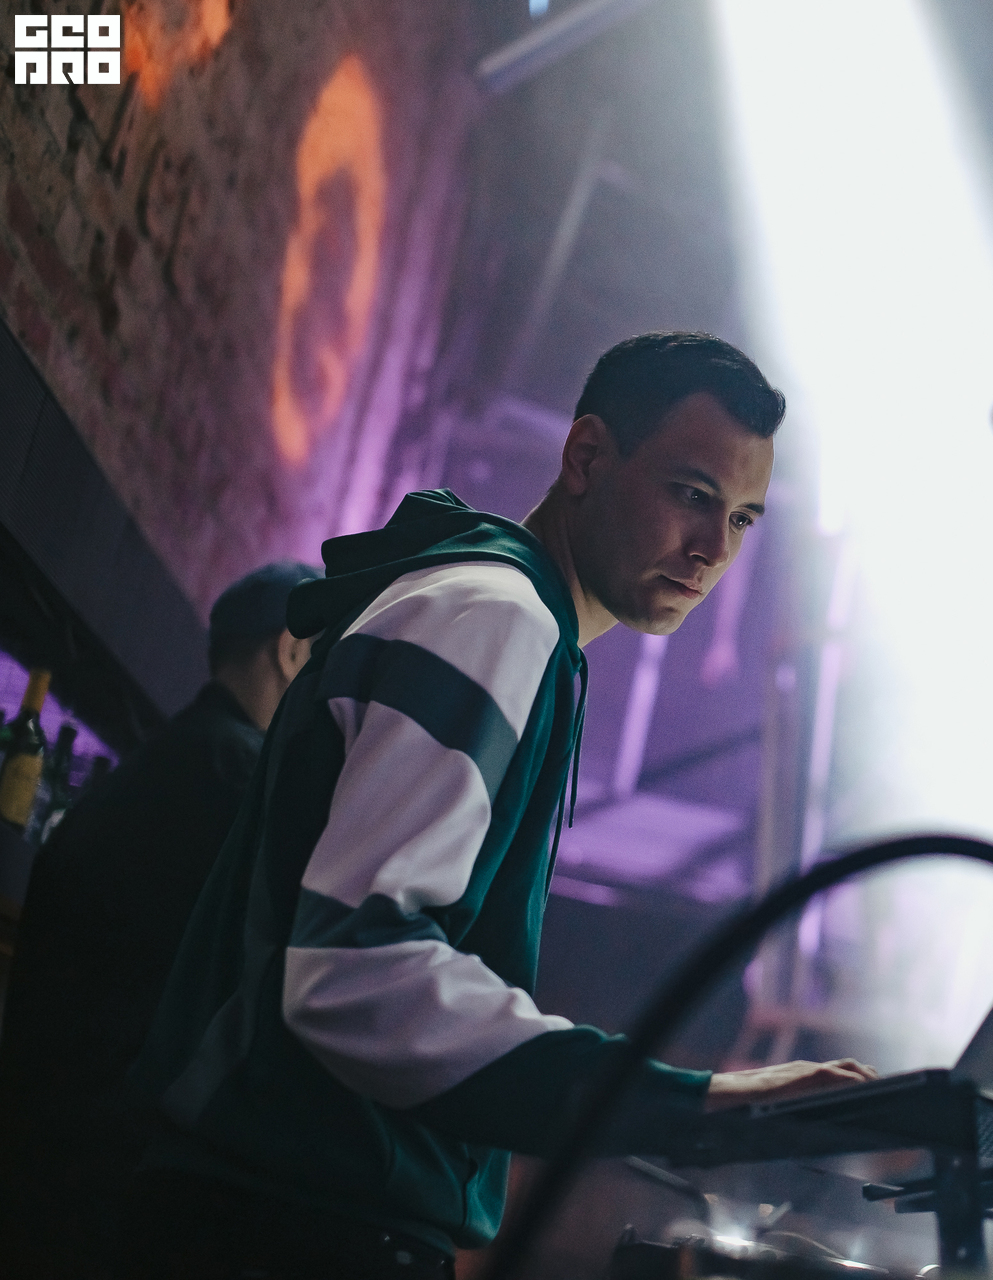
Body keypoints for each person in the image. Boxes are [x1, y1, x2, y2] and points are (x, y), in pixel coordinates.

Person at [121, 334, 876, 1279]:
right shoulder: (496, 619)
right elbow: (354, 970)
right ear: (586, 457)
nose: (713, 550)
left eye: (743, 519)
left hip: (268, 1206)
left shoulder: (500, 615)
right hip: (286, 1224)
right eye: (692, 494)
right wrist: (696, 1102)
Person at [0, 561, 321, 1279]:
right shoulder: (251, 789)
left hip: (37, 1164)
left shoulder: (154, 768)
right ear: (292, 650)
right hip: (122, 1197)